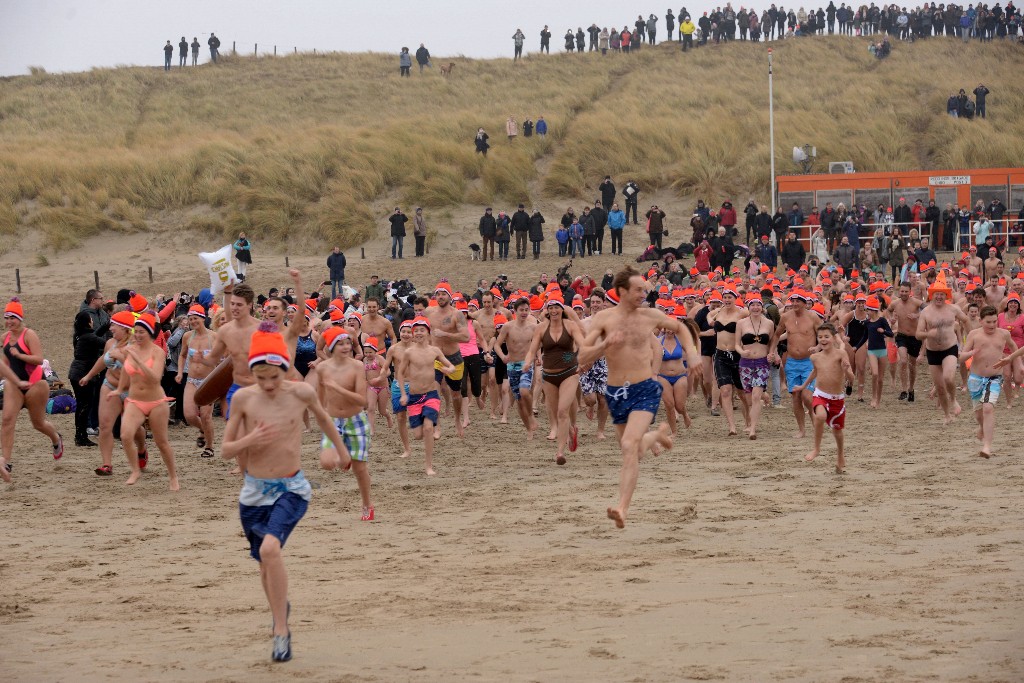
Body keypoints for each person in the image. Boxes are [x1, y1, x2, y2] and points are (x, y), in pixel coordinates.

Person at [222, 322, 351, 662]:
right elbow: (225, 449)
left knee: (269, 549)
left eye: (273, 377)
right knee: (265, 563)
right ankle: (280, 608)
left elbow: (324, 420)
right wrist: (250, 441)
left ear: (284, 369)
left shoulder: (300, 394)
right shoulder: (244, 399)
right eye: (259, 377)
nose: (266, 384)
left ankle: (280, 628)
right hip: (253, 492)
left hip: (291, 488)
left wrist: (342, 451)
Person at [579, 266, 700, 528]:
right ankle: (656, 435)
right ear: (622, 291)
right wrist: (604, 345)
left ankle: (622, 507)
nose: (643, 294)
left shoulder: (650, 315)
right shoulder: (604, 320)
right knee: (633, 448)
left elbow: (680, 328)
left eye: (645, 290)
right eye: (638, 290)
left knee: (628, 446)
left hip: (644, 388)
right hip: (615, 392)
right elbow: (582, 356)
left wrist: (691, 352)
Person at [111, 314, 179, 489]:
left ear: (149, 333)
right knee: (125, 435)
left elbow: (155, 378)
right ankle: (135, 470)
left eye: (142, 332)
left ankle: (173, 477)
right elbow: (127, 370)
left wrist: (140, 361)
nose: (138, 335)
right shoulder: (131, 349)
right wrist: (119, 389)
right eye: (136, 332)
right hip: (135, 400)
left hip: (156, 401)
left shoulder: (157, 352)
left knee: (161, 442)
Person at [0, 298, 63, 482]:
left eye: (13, 317)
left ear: (20, 318)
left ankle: (56, 438)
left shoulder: (29, 334)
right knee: (7, 420)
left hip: (36, 383)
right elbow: (5, 364)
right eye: (7, 318)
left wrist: (20, 355)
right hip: (15, 384)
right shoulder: (4, 338)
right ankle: (7, 461)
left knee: (37, 423)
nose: (10, 321)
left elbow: (39, 359)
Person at [314, 327, 373, 519]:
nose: (346, 346)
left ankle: (367, 505)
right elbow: (321, 400)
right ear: (331, 346)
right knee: (327, 462)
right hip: (333, 421)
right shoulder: (322, 368)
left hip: (355, 420)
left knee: (360, 469)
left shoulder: (357, 366)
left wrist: (337, 388)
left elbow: (362, 401)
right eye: (341, 343)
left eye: (348, 342)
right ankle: (343, 456)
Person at [523, 296, 585, 465]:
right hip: (549, 375)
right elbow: (532, 349)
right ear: (547, 310)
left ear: (562, 309)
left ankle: (560, 452)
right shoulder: (541, 328)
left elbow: (582, 343)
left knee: (562, 411)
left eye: (556, 307)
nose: (554, 311)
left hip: (569, 372)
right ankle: (571, 430)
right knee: (556, 410)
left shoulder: (570, 325)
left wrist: (585, 360)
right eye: (550, 308)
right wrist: (528, 362)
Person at [397, 317, 455, 476]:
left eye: (422, 330)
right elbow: (400, 374)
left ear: (428, 333)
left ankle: (428, 466)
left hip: (431, 395)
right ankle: (428, 427)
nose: (419, 333)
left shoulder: (434, 351)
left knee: (428, 428)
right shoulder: (409, 352)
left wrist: (449, 369)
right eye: (416, 331)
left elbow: (449, 364)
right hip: (414, 397)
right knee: (418, 435)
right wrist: (403, 393)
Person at [957, 306, 1015, 458]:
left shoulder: (1004, 334)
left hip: (995, 377)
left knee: (988, 408)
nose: (992, 325)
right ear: (981, 321)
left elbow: (1014, 347)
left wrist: (1017, 363)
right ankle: (982, 427)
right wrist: (970, 353)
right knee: (979, 414)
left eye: (995, 321)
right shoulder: (974, 335)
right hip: (975, 378)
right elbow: (961, 357)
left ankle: (987, 447)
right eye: (988, 322)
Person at [798, 323, 856, 473]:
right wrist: (803, 386)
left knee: (837, 431)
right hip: (820, 394)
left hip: (837, 398)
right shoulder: (814, 357)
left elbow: (851, 378)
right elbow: (815, 373)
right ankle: (816, 448)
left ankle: (840, 456)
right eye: (820, 337)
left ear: (833, 338)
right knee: (820, 416)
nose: (823, 339)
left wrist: (846, 371)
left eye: (826, 337)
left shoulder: (841, 354)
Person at [916, 274, 968, 425]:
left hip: (949, 348)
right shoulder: (925, 312)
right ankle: (947, 415)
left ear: (946, 295)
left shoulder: (953, 309)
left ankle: (954, 400)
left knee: (948, 377)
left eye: (942, 294)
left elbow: (965, 320)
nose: (939, 297)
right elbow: (918, 334)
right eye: (936, 294)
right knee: (939, 387)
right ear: (932, 295)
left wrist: (970, 339)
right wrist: (928, 333)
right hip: (932, 351)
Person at [769, 290, 820, 438]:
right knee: (796, 397)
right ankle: (802, 430)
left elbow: (824, 334)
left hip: (809, 362)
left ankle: (816, 423)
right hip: (791, 362)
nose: (795, 304)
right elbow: (777, 334)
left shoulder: (813, 317)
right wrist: (772, 351)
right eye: (793, 301)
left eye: (799, 301)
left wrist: (817, 347)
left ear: (805, 303)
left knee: (807, 397)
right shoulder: (785, 317)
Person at [423, 282, 469, 437]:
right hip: (435, 358)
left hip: (454, 358)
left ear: (449, 296)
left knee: (456, 395)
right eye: (438, 294)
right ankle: (437, 427)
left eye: (444, 294)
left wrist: (446, 334)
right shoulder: (429, 312)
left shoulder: (457, 314)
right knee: (434, 392)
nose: (440, 297)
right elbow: (421, 329)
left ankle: (457, 419)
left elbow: (466, 337)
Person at [494, 298, 539, 439]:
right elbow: (496, 344)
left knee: (525, 391)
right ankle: (529, 430)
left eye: (527, 310)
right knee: (519, 401)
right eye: (521, 310)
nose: (524, 313)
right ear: (515, 311)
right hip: (512, 365)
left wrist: (538, 356)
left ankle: (531, 416)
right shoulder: (508, 326)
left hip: (526, 364)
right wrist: (502, 356)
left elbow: (537, 344)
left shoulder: (533, 327)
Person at [708, 288, 750, 435]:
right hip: (720, 355)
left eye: (729, 297)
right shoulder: (718, 312)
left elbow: (755, 317)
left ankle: (748, 421)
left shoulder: (741, 313)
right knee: (725, 391)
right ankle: (732, 426)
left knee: (742, 393)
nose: (727, 300)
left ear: (735, 298)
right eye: (724, 297)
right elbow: (709, 314)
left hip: (737, 355)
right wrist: (709, 321)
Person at [735, 294, 775, 439]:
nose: (756, 307)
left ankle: (753, 429)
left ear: (762, 307)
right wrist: (741, 352)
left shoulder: (769, 324)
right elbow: (736, 344)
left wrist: (771, 354)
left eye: (758, 304)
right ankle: (765, 396)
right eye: (753, 305)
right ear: (748, 307)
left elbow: (772, 343)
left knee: (756, 396)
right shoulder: (741, 323)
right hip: (745, 363)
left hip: (761, 363)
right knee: (748, 398)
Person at [69, 311, 107, 447]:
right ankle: (81, 437)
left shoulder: (79, 335)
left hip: (75, 372)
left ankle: (80, 435)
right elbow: (106, 344)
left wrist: (108, 325)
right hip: (83, 374)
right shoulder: (88, 337)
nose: (92, 321)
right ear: (87, 322)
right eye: (91, 319)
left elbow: (95, 334)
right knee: (85, 405)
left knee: (81, 405)